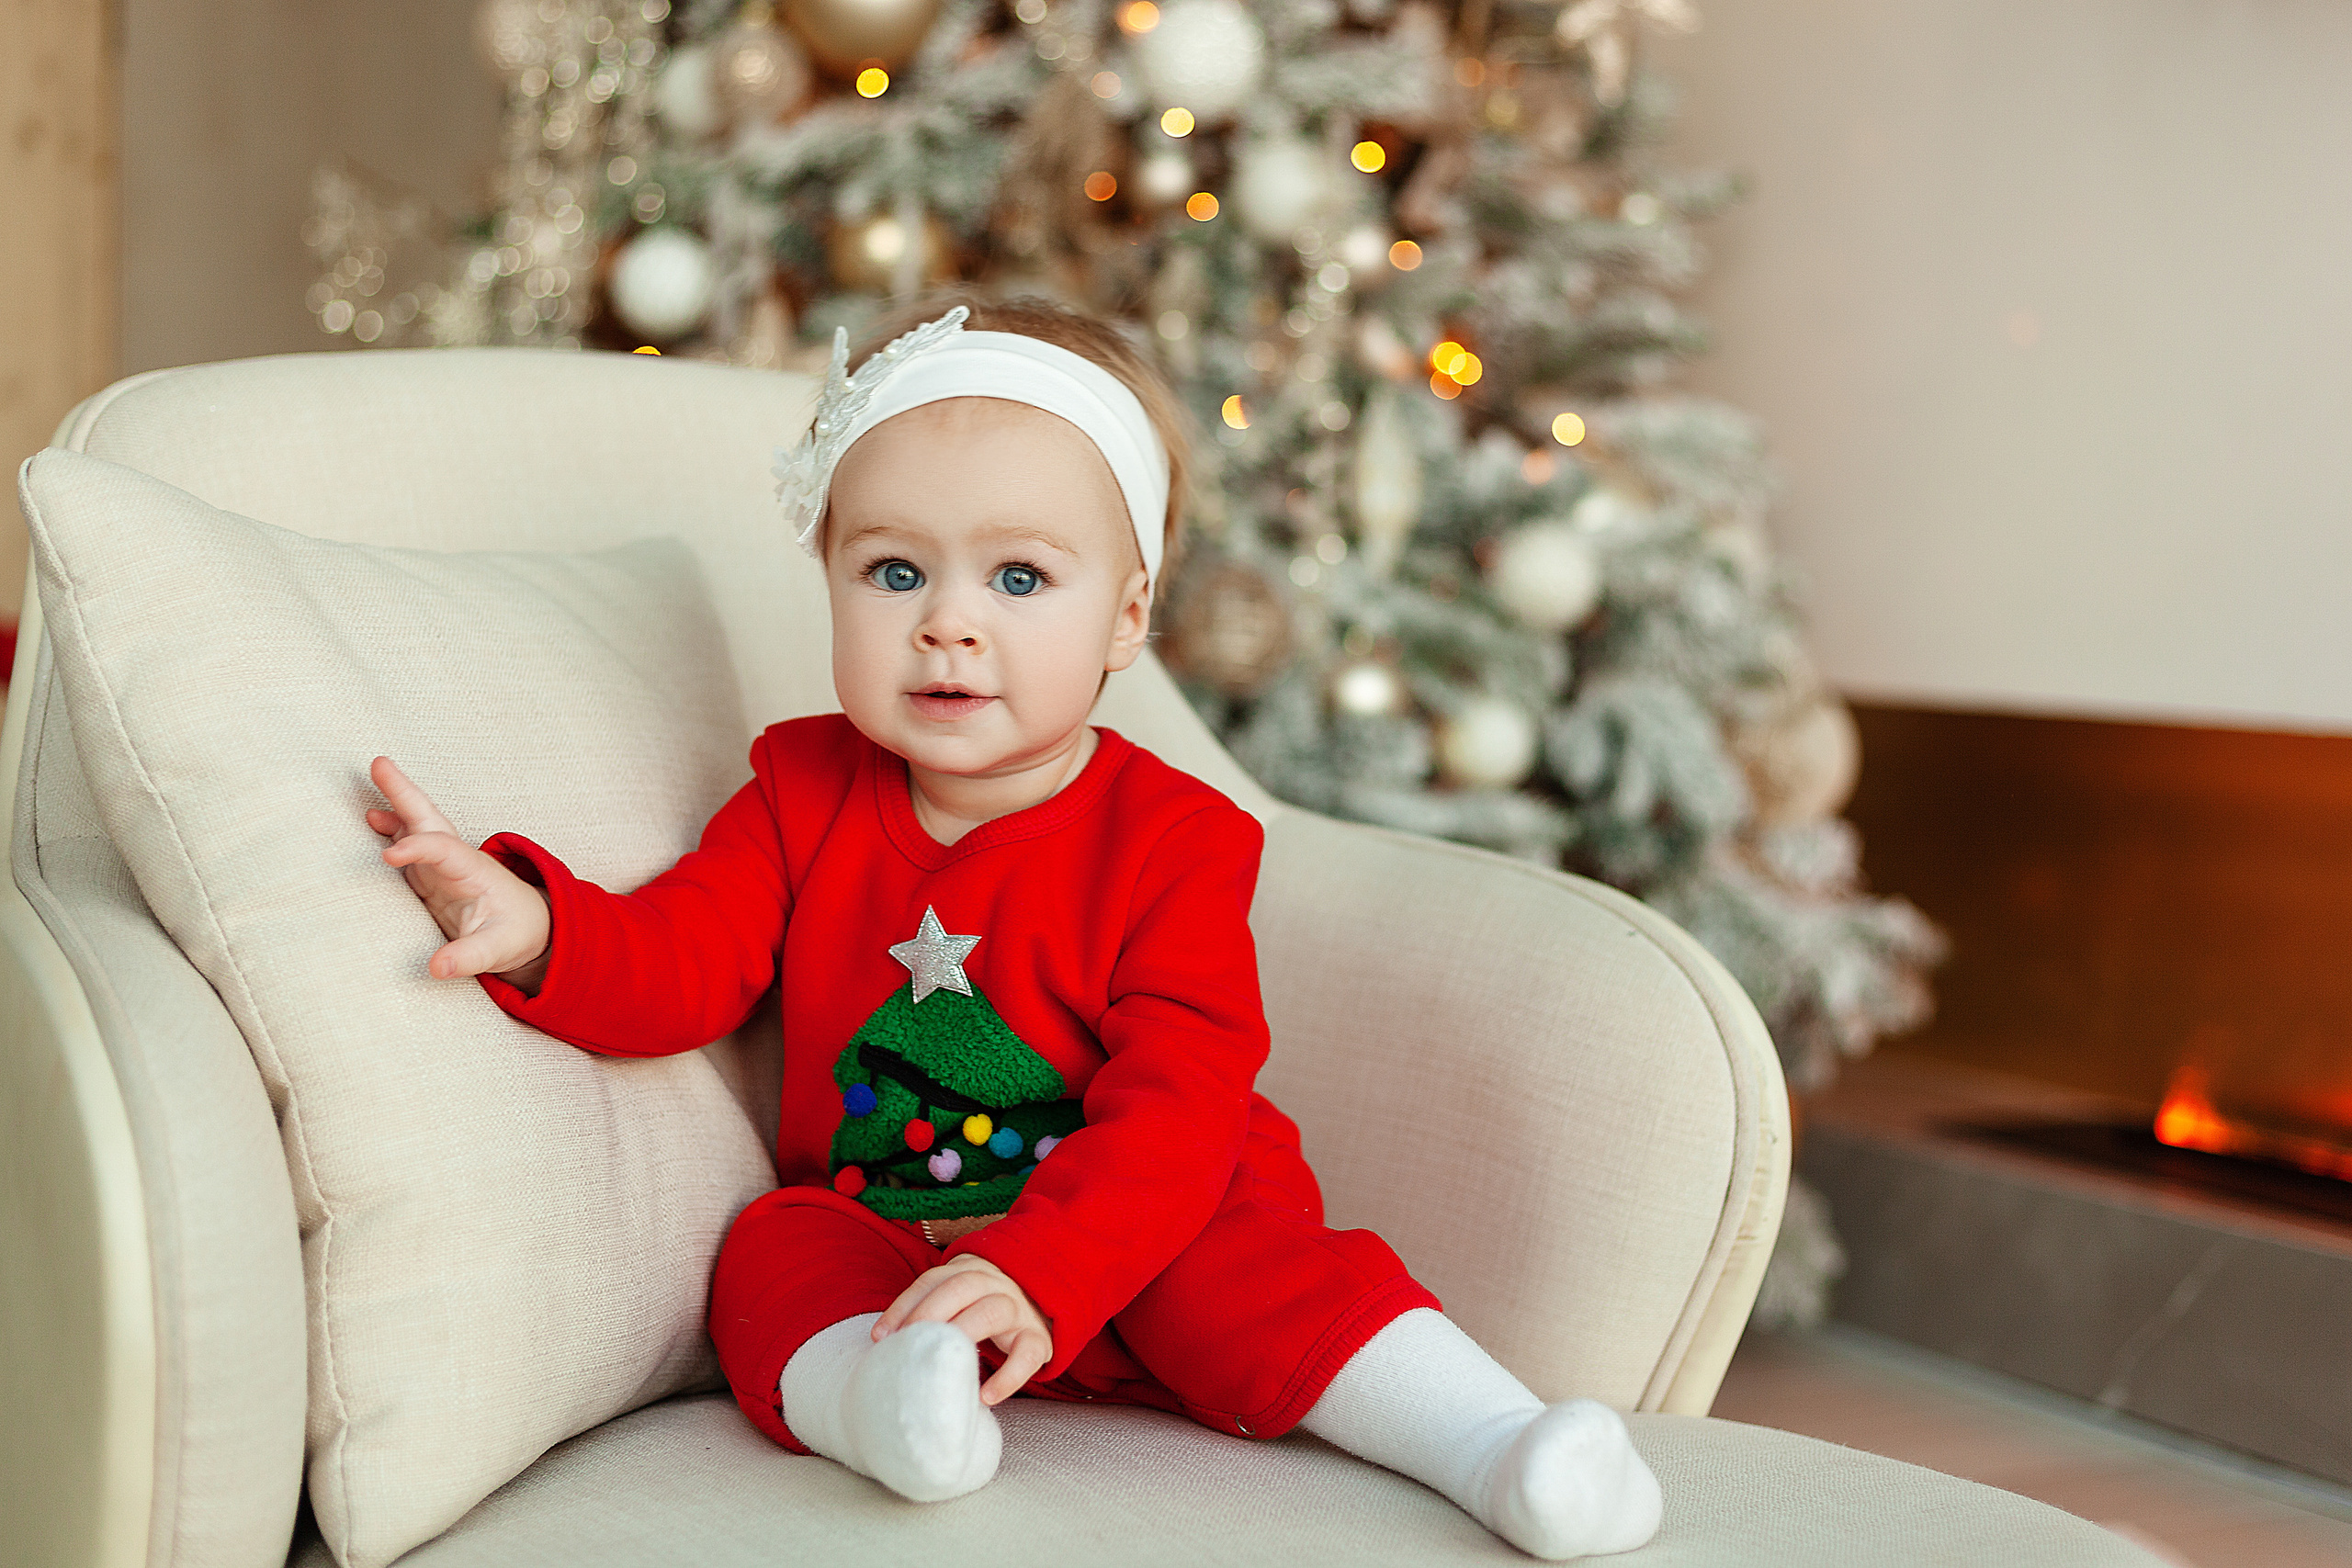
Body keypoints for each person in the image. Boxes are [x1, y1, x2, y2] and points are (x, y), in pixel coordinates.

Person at [363, 297, 1662, 1560]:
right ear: (830, 577)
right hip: (902, 1233)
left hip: (1139, 1228)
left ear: (1127, 619)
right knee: (771, 1248)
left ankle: (1502, 1446)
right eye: (893, 570)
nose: (948, 621)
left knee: (1254, 1259)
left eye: (1022, 576)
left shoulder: (1173, 842)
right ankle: (890, 1409)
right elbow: (686, 961)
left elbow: (1181, 1105)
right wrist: (536, 925)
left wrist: (1046, 1270)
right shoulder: (799, 791)